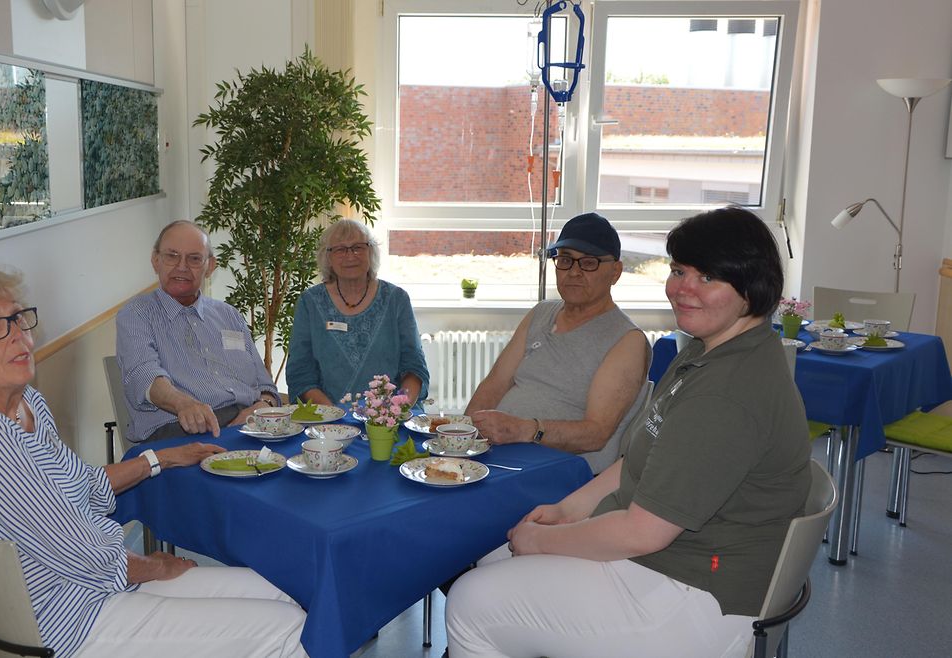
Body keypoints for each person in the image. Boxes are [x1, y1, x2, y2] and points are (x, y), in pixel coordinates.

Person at [445, 207, 812, 657]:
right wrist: (564, 512)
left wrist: (543, 539)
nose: (682, 289)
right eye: (678, 271)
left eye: (708, 277)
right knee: (492, 561)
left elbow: (643, 533)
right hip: (676, 561)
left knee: (470, 601)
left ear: (752, 287)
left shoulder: (725, 393)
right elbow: (635, 459)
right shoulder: (704, 352)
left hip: (695, 594)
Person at [0, 263, 307, 658]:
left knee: (281, 596)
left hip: (93, 588)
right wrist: (157, 566)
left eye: (18, 318)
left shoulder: (24, 403)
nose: (18, 336)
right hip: (69, 623)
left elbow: (82, 486)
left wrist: (163, 459)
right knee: (288, 631)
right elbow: (82, 552)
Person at [464, 212, 650, 474]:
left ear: (615, 272)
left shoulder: (627, 341)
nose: (573, 272)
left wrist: (523, 429)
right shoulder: (542, 313)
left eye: (588, 263)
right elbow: (494, 384)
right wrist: (463, 435)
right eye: (564, 260)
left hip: (561, 472)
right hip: (501, 456)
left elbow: (596, 434)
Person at [116, 220, 280, 442]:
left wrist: (263, 405)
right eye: (172, 256)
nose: (181, 266)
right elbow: (144, 375)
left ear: (210, 266)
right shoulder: (137, 314)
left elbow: (265, 386)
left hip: (249, 426)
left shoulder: (229, 315)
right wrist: (184, 404)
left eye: (194, 258)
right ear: (156, 261)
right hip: (181, 431)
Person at [286, 219, 429, 406]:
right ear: (327, 257)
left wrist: (395, 411)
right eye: (340, 249)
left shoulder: (396, 299)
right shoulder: (309, 302)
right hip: (327, 420)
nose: (350, 255)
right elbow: (301, 373)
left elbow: (414, 367)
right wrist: (335, 417)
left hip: (391, 419)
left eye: (358, 247)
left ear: (371, 251)